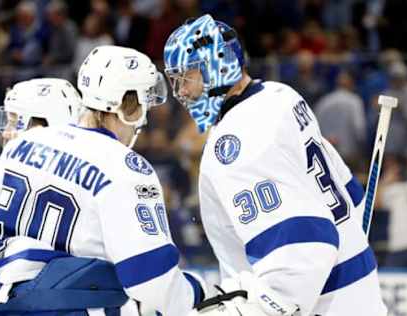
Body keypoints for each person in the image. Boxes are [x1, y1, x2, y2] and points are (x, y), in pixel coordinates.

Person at [0, 45, 204, 315]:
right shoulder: (127, 168)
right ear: (130, 105)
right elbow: (149, 279)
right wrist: (196, 292)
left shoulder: (24, 144)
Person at [163, 14, 386, 315]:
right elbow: (350, 194)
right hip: (358, 291)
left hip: (318, 303)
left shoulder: (236, 140)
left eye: (187, 78)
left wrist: (254, 309)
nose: (182, 92)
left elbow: (301, 248)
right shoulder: (280, 95)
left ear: (216, 66)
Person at [0, 77, 83, 310]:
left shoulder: (12, 168)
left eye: (15, 122)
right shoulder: (97, 170)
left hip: (24, 304)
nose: (6, 133)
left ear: (45, 123)